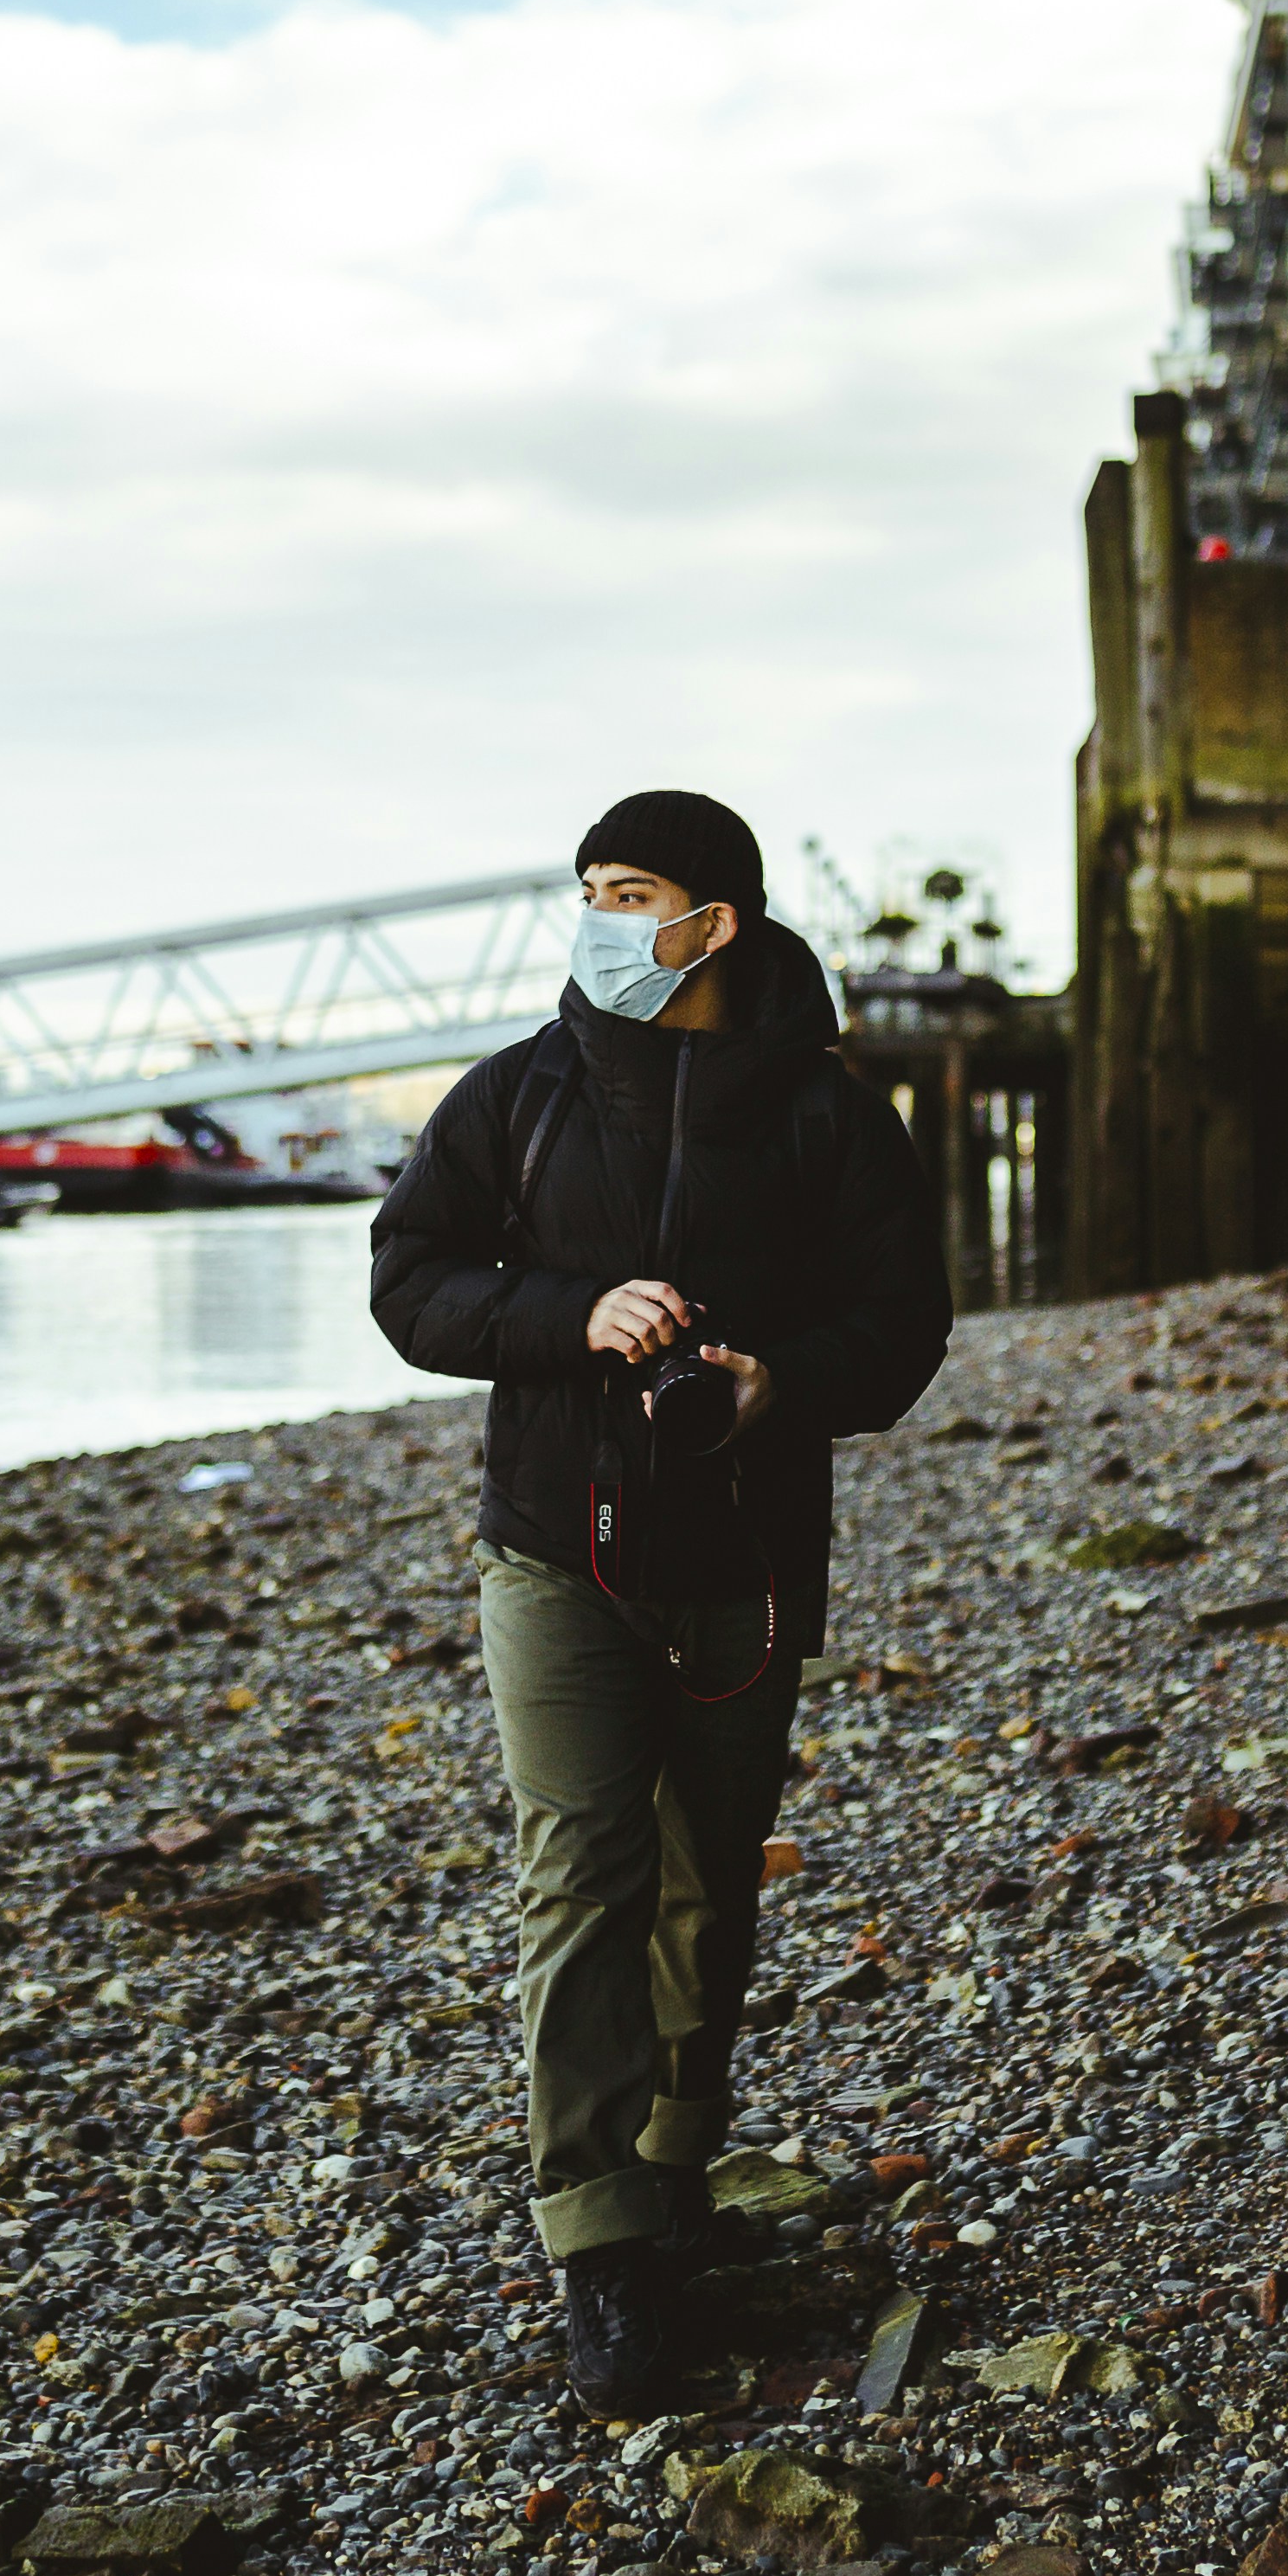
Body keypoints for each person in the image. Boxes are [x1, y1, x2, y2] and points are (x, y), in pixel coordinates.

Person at [368, 789, 952, 2415]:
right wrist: (572, 1312)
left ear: (721, 923)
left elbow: (903, 1329)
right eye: (590, 891)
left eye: (635, 892)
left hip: (747, 1557)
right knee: (580, 1878)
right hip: (552, 1545)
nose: (603, 918)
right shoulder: (518, 1100)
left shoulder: (834, 1120)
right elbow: (409, 1283)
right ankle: (597, 2243)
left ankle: (677, 2165)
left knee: (711, 1883)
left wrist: (781, 1384)